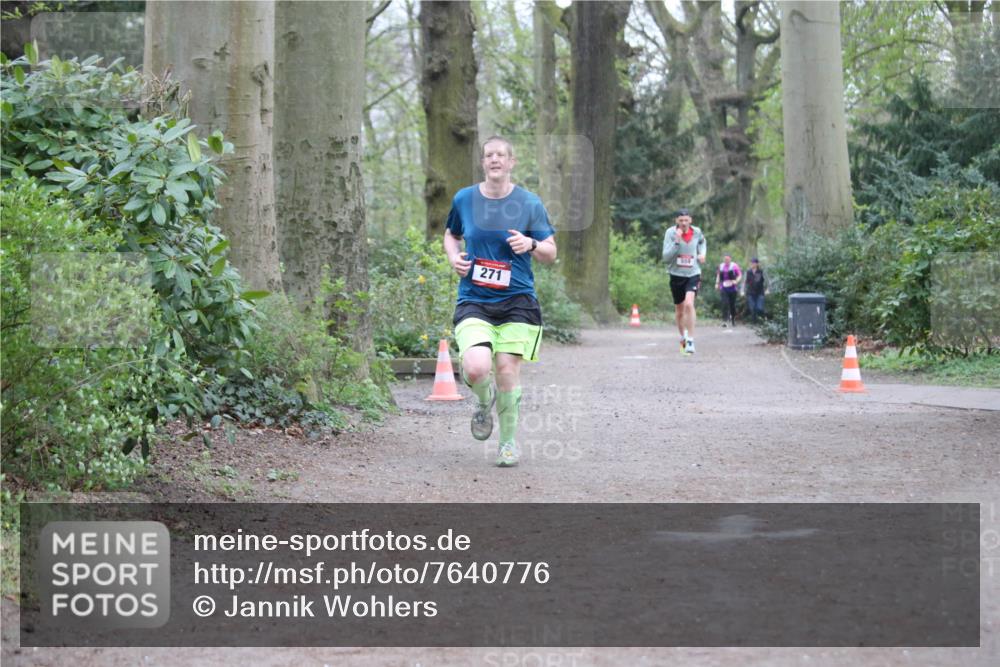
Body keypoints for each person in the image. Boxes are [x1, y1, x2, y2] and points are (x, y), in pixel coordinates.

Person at [443, 136, 557, 467]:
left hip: (517, 300)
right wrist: (454, 258)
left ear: (511, 162)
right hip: (475, 299)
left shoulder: (529, 203)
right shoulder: (465, 199)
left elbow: (551, 251)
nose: (495, 159)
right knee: (476, 368)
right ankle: (484, 398)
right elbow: (451, 234)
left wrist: (531, 245)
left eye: (501, 155)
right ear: (483, 163)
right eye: (489, 155)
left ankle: (507, 444)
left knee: (506, 368)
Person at [662, 208, 706, 355]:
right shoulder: (670, 233)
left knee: (689, 304)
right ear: (676, 221)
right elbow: (666, 258)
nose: (684, 223)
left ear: (690, 220)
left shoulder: (697, 232)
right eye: (681, 221)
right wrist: (677, 242)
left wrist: (702, 254)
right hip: (676, 274)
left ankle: (691, 340)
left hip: (693, 273)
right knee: (679, 310)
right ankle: (683, 338)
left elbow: (702, 242)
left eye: (686, 220)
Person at [715, 254, 742, 329]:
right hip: (723, 287)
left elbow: (740, 275)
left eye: (727, 259)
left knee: (732, 305)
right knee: (725, 303)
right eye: (725, 259)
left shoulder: (734, 266)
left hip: (732, 288)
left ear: (730, 259)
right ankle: (724, 320)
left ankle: (733, 319)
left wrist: (736, 281)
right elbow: (718, 275)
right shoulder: (721, 266)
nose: (726, 261)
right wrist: (717, 284)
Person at [744, 257, 766, 323]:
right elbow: (744, 282)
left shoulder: (761, 271)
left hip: (760, 292)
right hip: (750, 292)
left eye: (753, 263)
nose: (752, 264)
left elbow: (767, 281)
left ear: (757, 264)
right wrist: (742, 290)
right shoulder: (748, 272)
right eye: (751, 263)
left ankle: (763, 318)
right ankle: (754, 322)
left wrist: (768, 289)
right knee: (752, 308)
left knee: (759, 308)